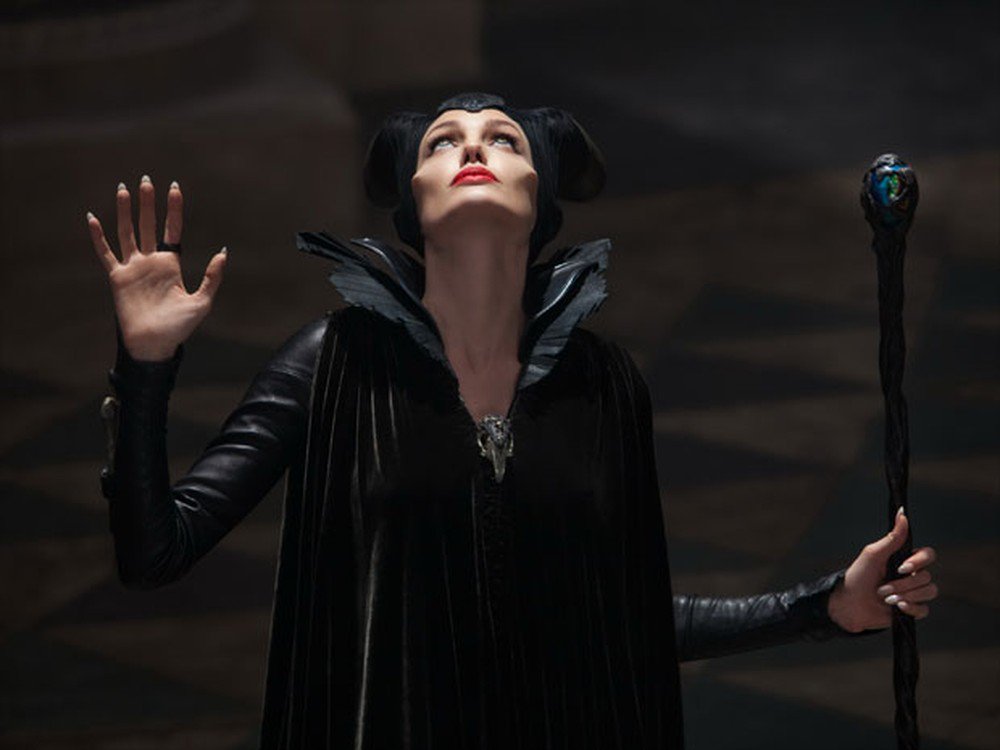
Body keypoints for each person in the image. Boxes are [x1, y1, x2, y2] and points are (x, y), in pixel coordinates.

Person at [85, 93, 939, 749]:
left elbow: (627, 622)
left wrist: (825, 604)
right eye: (441, 142)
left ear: (542, 196)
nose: (471, 149)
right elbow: (155, 551)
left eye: (503, 139)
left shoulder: (602, 384)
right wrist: (147, 367)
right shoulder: (332, 361)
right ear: (412, 199)